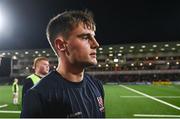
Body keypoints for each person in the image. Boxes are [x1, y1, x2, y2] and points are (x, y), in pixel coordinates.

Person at [21, 10, 105, 118]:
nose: (96, 44)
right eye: (85, 37)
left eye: (93, 37)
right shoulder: (39, 96)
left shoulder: (97, 85)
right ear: (61, 45)